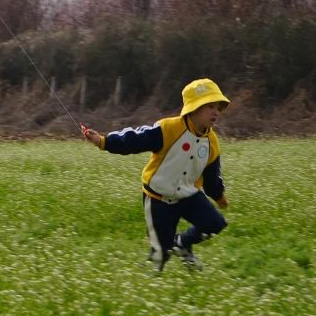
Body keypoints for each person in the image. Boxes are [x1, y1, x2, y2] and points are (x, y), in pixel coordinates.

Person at [82, 78, 230, 271]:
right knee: (161, 254)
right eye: (210, 106)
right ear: (194, 108)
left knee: (215, 224)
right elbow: (135, 139)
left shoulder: (212, 141)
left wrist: (218, 196)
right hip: (158, 198)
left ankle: (182, 243)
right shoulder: (168, 128)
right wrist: (103, 141)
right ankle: (148, 273)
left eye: (218, 108)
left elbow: (211, 175)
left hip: (188, 195)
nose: (216, 112)